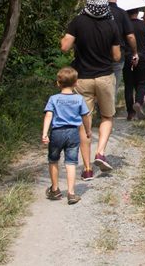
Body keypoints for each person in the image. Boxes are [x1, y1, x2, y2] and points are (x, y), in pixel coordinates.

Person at [62, 0, 121, 181]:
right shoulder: (111, 23)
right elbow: (117, 56)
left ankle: (87, 169)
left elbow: (65, 46)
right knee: (107, 116)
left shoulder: (78, 22)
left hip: (82, 79)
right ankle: (100, 152)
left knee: (83, 122)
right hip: (104, 76)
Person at [41, 67, 91, 205]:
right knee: (71, 163)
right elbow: (85, 116)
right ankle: (71, 193)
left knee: (53, 160)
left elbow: (48, 115)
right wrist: (88, 131)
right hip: (73, 133)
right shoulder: (79, 99)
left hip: (56, 133)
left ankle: (55, 190)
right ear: (76, 83)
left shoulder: (53, 99)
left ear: (58, 83)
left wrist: (45, 133)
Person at [107, 0, 138, 119]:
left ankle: (97, 111)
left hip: (98, 54)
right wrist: (135, 52)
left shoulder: (98, 12)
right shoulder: (122, 14)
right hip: (118, 54)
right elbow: (130, 36)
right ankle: (108, 114)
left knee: (98, 81)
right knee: (113, 84)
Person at [126, 8, 145, 119]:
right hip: (142, 57)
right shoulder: (144, 25)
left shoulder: (124, 24)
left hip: (128, 57)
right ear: (138, 12)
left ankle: (130, 113)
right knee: (142, 83)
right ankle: (138, 103)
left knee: (128, 85)